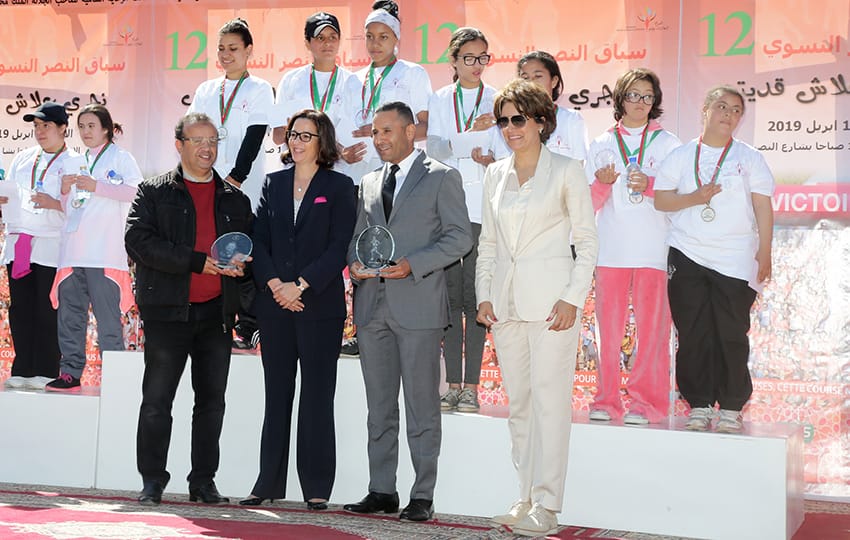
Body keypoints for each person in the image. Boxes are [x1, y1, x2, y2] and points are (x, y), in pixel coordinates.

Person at [475, 79, 597, 536]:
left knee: (550, 405)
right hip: (505, 306)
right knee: (520, 406)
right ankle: (524, 497)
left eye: (519, 119)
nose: (510, 128)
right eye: (503, 120)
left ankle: (548, 505)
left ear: (542, 122)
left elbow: (586, 243)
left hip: (552, 307)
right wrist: (484, 293)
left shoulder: (566, 170)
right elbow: (488, 243)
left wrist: (572, 298)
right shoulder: (494, 174)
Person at [343, 102, 472, 522]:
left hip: (418, 307)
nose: (378, 139)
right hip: (372, 309)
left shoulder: (442, 176)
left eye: (386, 131)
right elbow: (358, 239)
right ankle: (381, 490)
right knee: (379, 409)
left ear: (410, 131)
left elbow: (459, 238)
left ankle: (422, 495)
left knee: (421, 407)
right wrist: (355, 265)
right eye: (374, 133)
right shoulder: (368, 181)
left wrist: (413, 264)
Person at [126, 112, 253, 506]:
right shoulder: (153, 191)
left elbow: (249, 252)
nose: (206, 148)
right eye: (197, 141)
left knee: (211, 403)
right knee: (157, 402)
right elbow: (138, 242)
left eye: (212, 141)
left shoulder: (235, 199)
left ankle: (203, 482)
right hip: (167, 312)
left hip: (216, 315)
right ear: (179, 145)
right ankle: (152, 481)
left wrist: (244, 268)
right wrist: (197, 262)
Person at [239, 110, 356, 509]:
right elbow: (259, 240)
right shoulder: (273, 183)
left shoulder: (340, 186)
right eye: (293, 134)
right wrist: (276, 286)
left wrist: (301, 285)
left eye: (306, 135)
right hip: (275, 305)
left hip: (319, 305)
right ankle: (267, 483)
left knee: (317, 397)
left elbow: (339, 246)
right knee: (277, 395)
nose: (297, 141)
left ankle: (317, 486)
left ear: (323, 141)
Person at [654, 85, 774, 433]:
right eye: (722, 106)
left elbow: (762, 205)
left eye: (736, 110)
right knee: (693, 332)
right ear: (705, 109)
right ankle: (700, 404)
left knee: (731, 333)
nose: (729, 114)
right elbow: (661, 200)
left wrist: (765, 250)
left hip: (735, 258)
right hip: (687, 253)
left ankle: (732, 406)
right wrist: (694, 198)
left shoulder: (750, 158)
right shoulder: (680, 156)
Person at [585, 68, 682, 424]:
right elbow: (586, 205)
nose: (640, 102)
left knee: (653, 333)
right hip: (611, 250)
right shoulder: (601, 143)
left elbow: (682, 197)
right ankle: (606, 400)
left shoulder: (669, 144)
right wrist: (601, 184)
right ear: (620, 99)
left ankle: (647, 404)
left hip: (654, 251)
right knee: (607, 333)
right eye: (633, 95)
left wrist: (651, 186)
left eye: (647, 96)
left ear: (655, 102)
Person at [426, 27, 505, 413]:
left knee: (476, 299)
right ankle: (451, 384)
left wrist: (492, 159)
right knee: (449, 299)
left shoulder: (498, 99)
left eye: (482, 57)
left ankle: (471, 385)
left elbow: (510, 151)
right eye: (469, 58)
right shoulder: (441, 99)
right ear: (454, 61)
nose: (477, 65)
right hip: (447, 209)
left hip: (483, 208)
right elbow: (434, 148)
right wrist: (468, 135)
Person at [186, 17, 274, 350]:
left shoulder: (260, 89)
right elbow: (193, 133)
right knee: (211, 251)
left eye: (233, 48)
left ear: (249, 50)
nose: (225, 54)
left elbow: (254, 137)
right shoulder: (206, 90)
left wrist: (235, 179)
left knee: (243, 253)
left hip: (242, 187)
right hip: (206, 185)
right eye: (221, 48)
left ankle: (249, 325)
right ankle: (217, 322)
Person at [43, 104, 142, 392]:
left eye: (91, 126)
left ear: (106, 129)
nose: (86, 132)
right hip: (73, 251)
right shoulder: (74, 161)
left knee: (108, 320)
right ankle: (69, 373)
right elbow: (69, 207)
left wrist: (96, 185)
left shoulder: (121, 158)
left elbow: (137, 192)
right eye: (82, 127)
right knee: (70, 317)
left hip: (104, 252)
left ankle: (114, 379)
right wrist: (64, 191)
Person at [1, 102, 79, 391]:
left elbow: (81, 205)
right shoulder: (23, 157)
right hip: (20, 242)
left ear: (62, 128)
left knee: (47, 308)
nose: (40, 131)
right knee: (20, 307)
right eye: (36, 126)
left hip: (51, 244)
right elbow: (11, 192)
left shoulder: (73, 162)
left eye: (46, 125)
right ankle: (22, 368)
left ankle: (46, 369)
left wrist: (54, 203)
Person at [346, 0, 433, 185]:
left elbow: (427, 127)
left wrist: (380, 132)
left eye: (383, 37)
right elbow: (341, 128)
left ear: (396, 38)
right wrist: (342, 151)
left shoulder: (412, 73)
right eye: (369, 36)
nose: (375, 43)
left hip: (399, 172)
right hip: (357, 173)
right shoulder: (353, 80)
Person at [271, 11, 366, 173]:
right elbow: (278, 136)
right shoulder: (291, 80)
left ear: (339, 41)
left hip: (338, 171)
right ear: (307, 43)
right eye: (320, 38)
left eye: (332, 37)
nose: (327, 43)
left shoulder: (353, 82)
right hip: (298, 172)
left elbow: (359, 132)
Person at [517, 51, 587, 161]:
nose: (531, 83)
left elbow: (579, 163)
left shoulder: (571, 119)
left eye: (538, 76)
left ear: (554, 81)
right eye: (525, 78)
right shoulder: (512, 120)